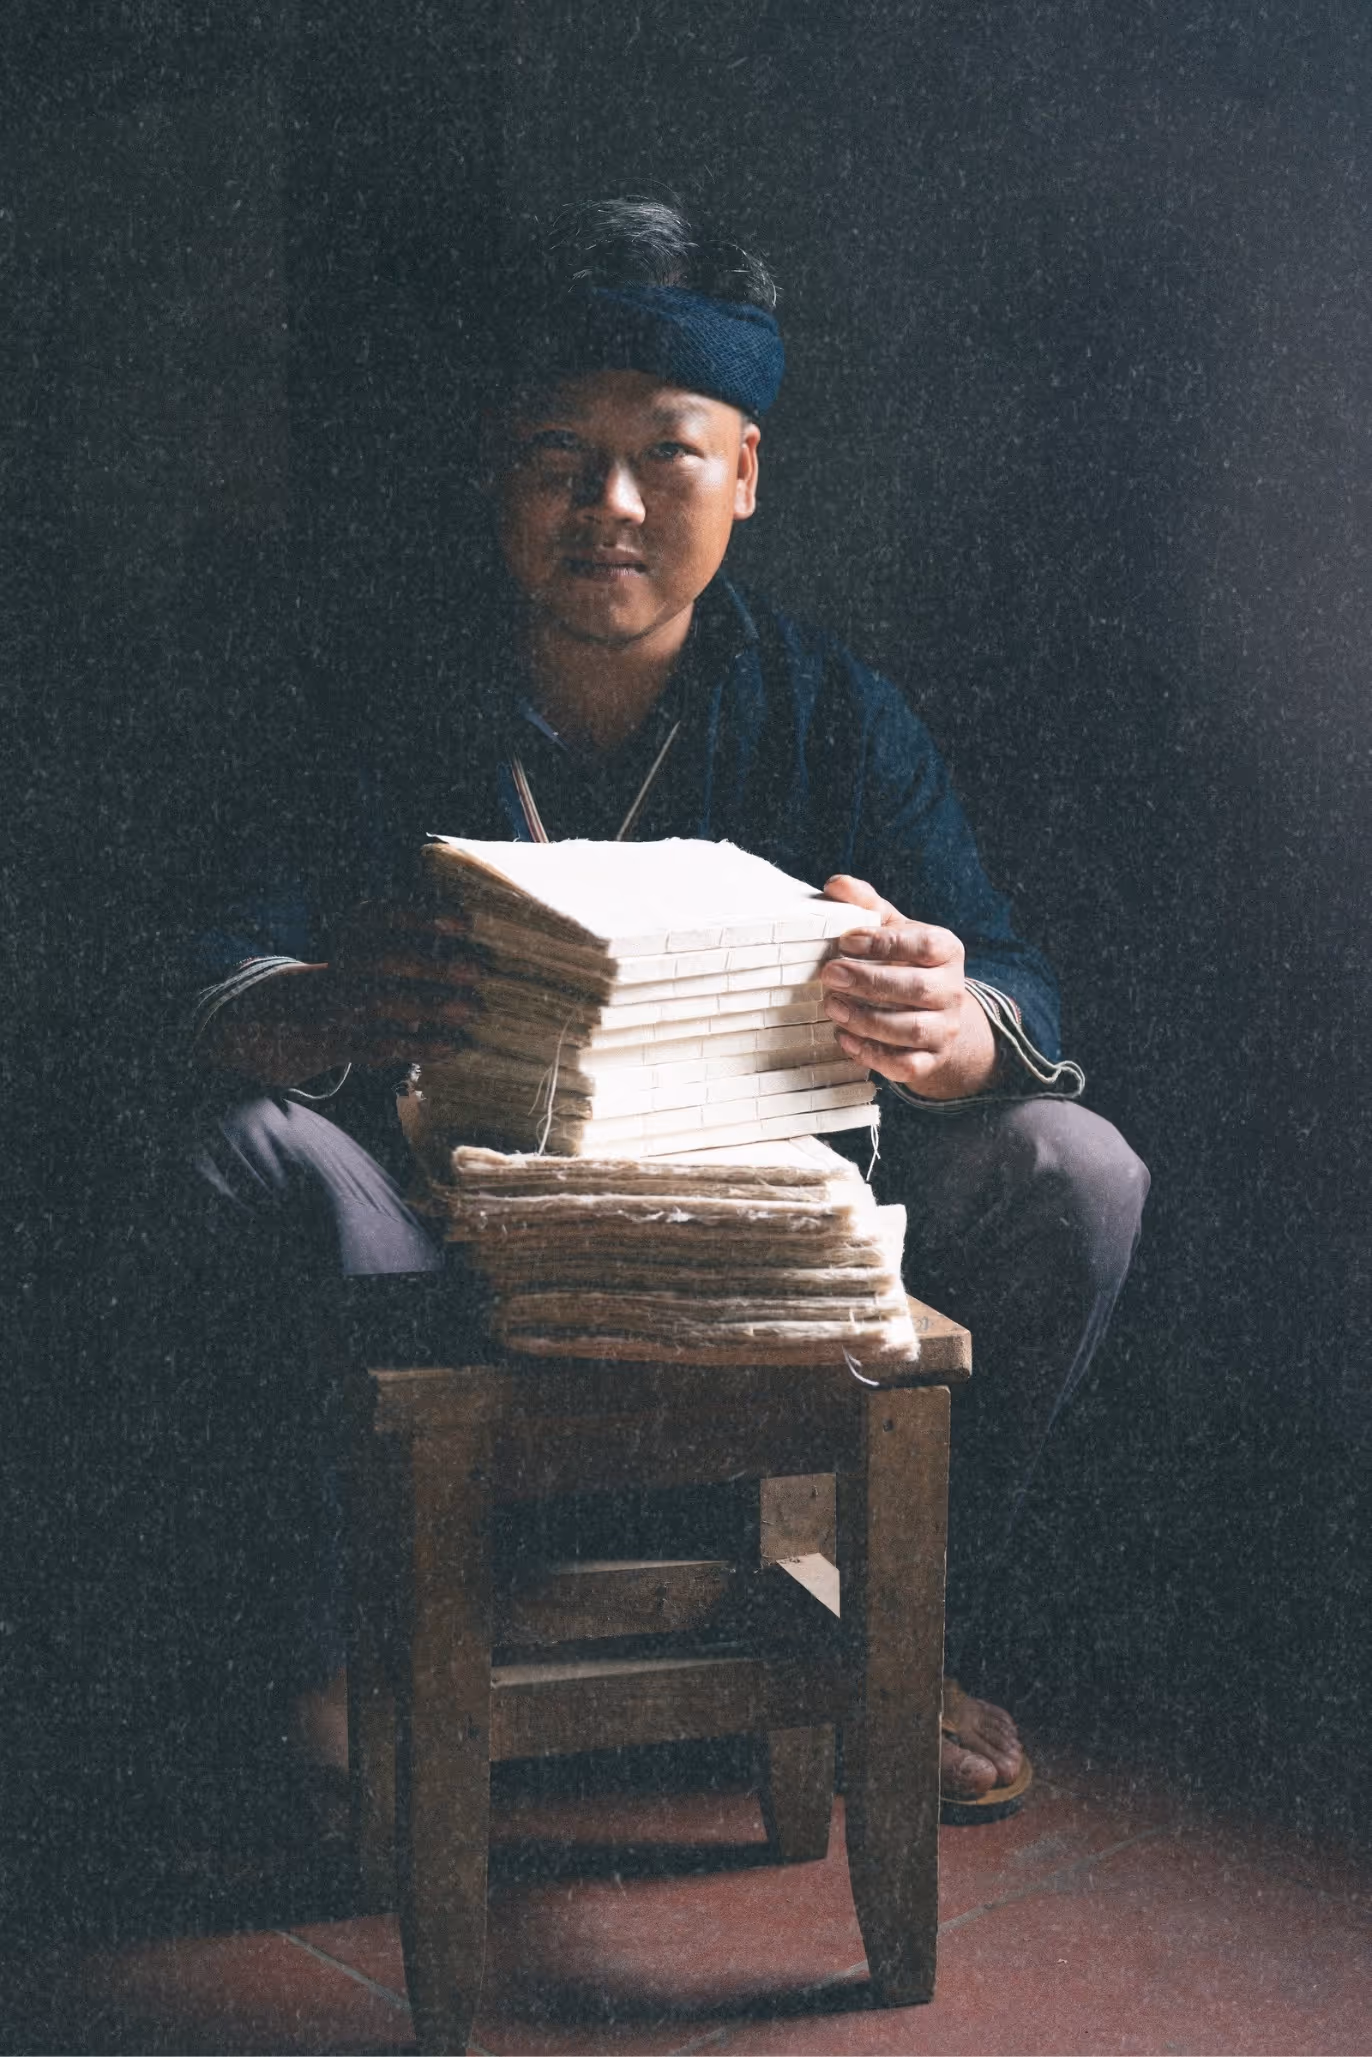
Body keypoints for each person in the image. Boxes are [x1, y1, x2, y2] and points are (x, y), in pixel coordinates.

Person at [179, 197, 1148, 1822]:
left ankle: (884, 1633)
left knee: (1079, 1169)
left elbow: (1010, 977)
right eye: (558, 452)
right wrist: (316, 1006)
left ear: (747, 474)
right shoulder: (370, 691)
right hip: (449, 1238)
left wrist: (954, 1017)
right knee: (245, 1148)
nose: (608, 506)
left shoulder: (831, 709)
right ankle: (337, 1651)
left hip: (744, 1245)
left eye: (668, 455)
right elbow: (219, 965)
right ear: (499, 466)